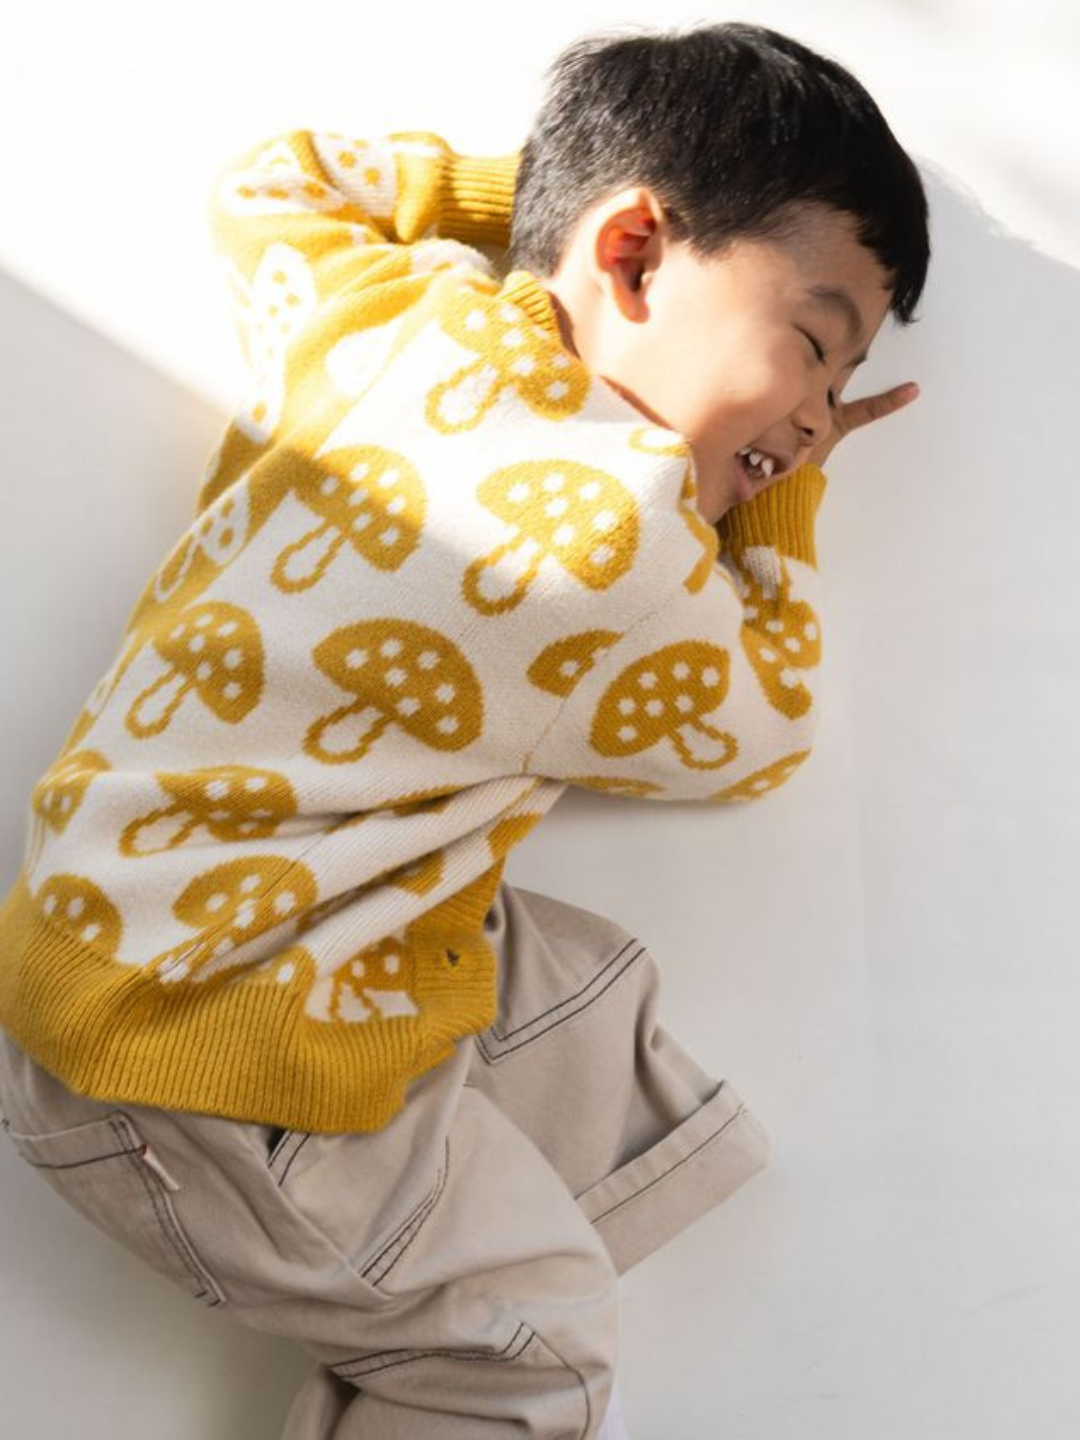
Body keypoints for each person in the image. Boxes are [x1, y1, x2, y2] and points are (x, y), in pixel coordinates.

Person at [0, 21, 928, 1440]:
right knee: (534, 1354)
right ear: (633, 257)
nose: (811, 418)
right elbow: (766, 718)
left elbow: (272, 183)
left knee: (580, 992)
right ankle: (466, 1322)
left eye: (832, 400)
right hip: (201, 1071)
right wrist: (782, 505)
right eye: (811, 351)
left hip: (116, 950)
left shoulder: (393, 319)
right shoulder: (617, 549)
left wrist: (550, 198)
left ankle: (438, 1273)